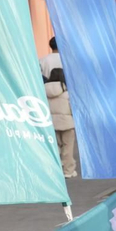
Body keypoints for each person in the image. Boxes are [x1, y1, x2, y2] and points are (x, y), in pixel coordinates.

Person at [41, 37, 78, 177]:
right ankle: (68, 169)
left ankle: (55, 170)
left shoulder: (43, 60)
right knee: (68, 145)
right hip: (65, 110)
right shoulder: (67, 59)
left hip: (49, 100)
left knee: (55, 145)